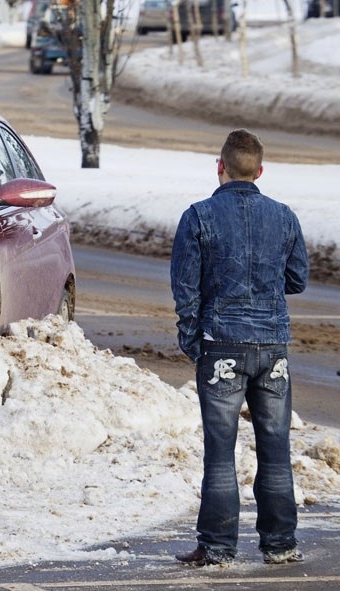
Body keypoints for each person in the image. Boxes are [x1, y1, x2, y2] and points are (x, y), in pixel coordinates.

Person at [170, 129, 310, 567]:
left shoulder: (198, 216)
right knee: (275, 446)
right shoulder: (284, 217)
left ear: (220, 167)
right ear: (260, 171)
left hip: (221, 346)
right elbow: (297, 279)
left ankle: (216, 547)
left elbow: (185, 289)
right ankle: (281, 544)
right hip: (273, 348)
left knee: (220, 450)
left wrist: (194, 342)